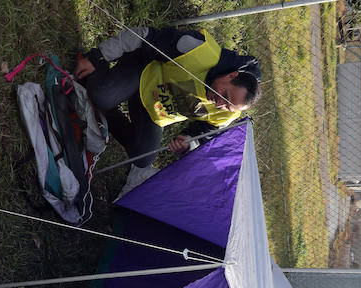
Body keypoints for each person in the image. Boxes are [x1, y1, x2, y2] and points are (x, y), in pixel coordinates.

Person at [74, 26, 261, 192]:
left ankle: (101, 110)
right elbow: (144, 36)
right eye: (224, 95)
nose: (219, 103)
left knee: (142, 157)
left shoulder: (228, 113)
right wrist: (98, 56)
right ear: (231, 75)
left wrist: (188, 142)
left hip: (152, 110)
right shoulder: (199, 51)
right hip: (142, 73)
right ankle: (95, 78)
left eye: (227, 106)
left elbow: (204, 133)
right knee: (102, 96)